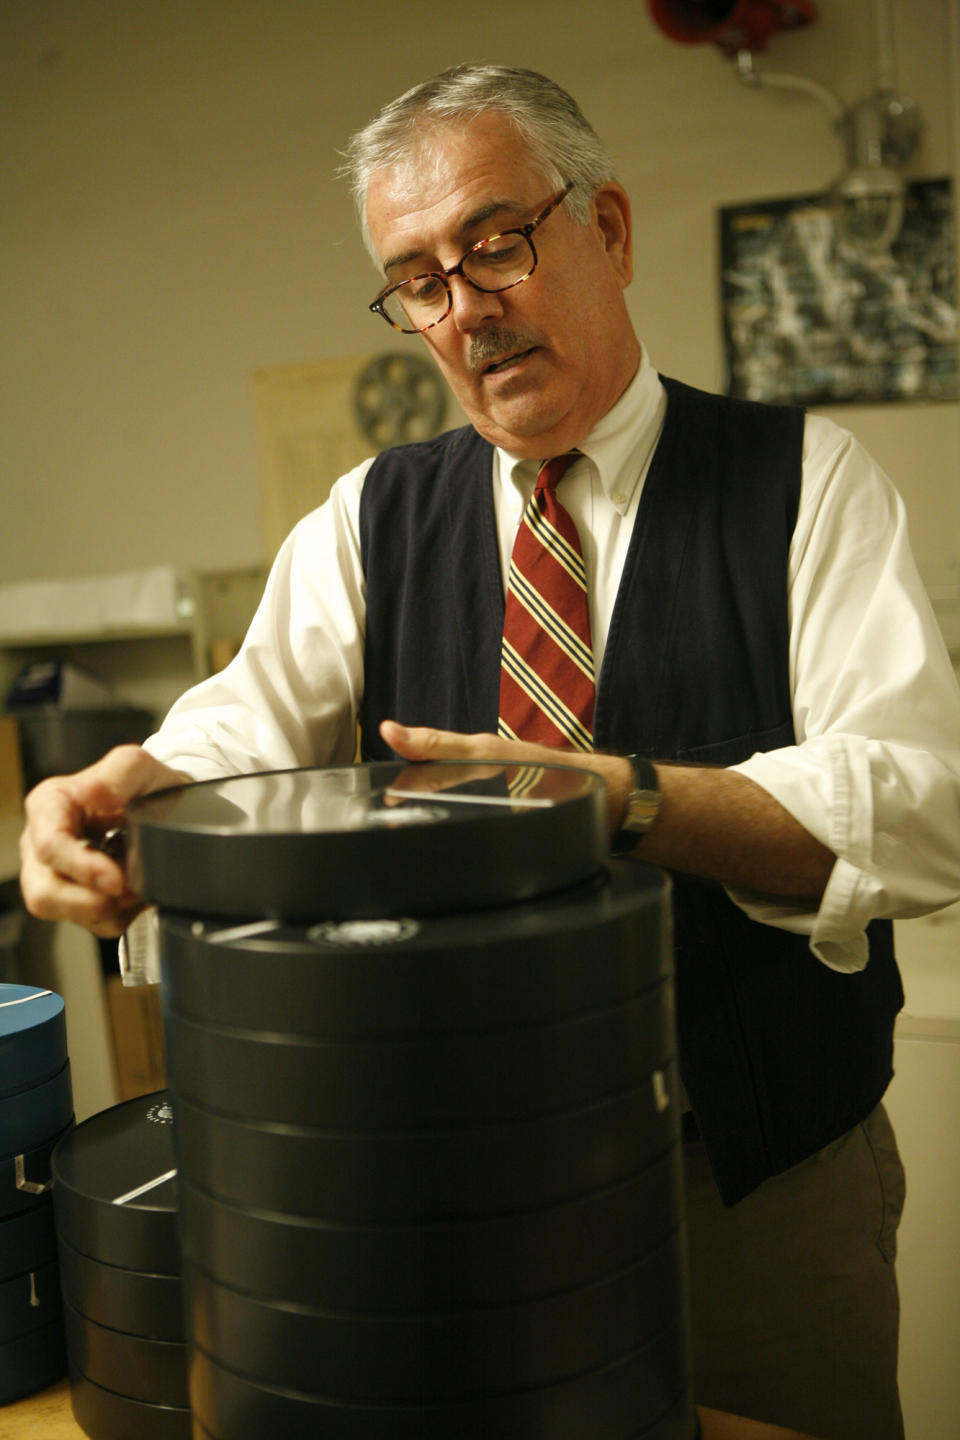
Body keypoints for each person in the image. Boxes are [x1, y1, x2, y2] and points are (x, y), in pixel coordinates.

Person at [19, 64, 960, 1438]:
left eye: (495, 244)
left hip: (754, 1193)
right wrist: (127, 789)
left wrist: (629, 800)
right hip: (452, 1188)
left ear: (611, 229)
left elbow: (929, 810)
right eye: (416, 279)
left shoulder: (806, 483)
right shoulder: (371, 515)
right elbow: (244, 721)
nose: (465, 309)